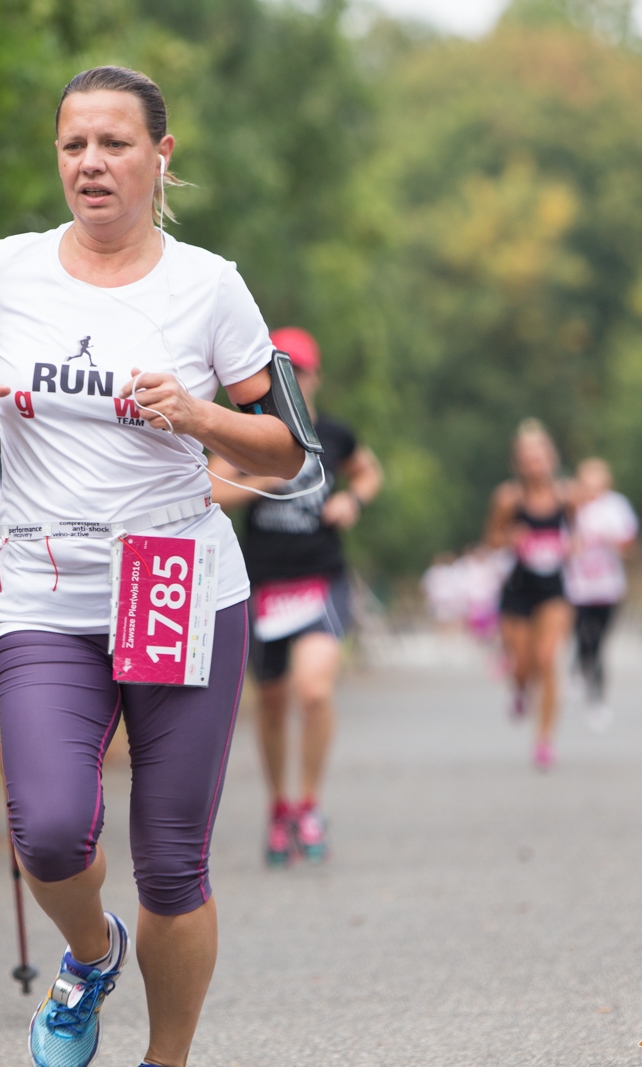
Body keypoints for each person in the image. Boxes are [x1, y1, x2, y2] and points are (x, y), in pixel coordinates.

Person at [0, 66, 305, 1067]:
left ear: (159, 156)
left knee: (172, 861)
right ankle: (91, 954)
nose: (90, 163)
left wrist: (198, 411)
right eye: (73, 145)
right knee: (47, 830)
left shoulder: (208, 285)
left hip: (175, 581)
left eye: (114, 144)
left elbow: (286, 449)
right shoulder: (5, 271)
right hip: (46, 585)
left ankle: (163, 1058)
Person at [207, 327, 382, 866]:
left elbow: (368, 471)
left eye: (301, 370)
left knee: (314, 692)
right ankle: (278, 806)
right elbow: (213, 487)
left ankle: (309, 803)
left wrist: (353, 501)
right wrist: (269, 478)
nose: (295, 379)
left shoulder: (334, 433)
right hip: (263, 584)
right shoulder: (253, 434)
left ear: (315, 376)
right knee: (274, 703)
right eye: (283, 370)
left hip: (320, 577)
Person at [485, 419, 573, 771]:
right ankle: (520, 689)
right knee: (523, 665)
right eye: (527, 456)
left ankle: (544, 741)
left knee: (547, 660)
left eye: (541, 454)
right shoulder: (508, 499)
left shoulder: (567, 496)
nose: (535, 462)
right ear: (518, 463)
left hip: (554, 589)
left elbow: (580, 533)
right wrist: (510, 539)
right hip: (518, 589)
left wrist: (574, 544)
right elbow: (491, 539)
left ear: (552, 458)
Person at [563, 458, 637, 733]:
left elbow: (630, 545)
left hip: (608, 586)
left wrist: (612, 540)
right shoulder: (571, 506)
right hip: (577, 586)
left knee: (600, 643)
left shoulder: (617, 506)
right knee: (583, 635)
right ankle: (582, 677)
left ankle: (596, 697)